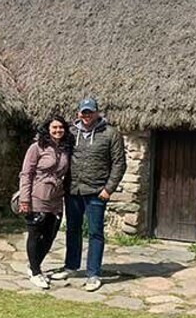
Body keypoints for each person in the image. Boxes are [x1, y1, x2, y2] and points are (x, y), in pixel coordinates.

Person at [50, 98, 126, 291]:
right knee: (72, 230)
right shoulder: (71, 133)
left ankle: (93, 273)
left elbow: (119, 163)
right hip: (73, 190)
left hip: (96, 192)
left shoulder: (111, 134)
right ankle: (71, 266)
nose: (86, 116)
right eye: (83, 112)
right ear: (78, 114)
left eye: (90, 112)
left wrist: (108, 189)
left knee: (95, 233)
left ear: (97, 112)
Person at [18, 115, 73, 289]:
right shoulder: (37, 148)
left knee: (50, 235)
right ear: (47, 129)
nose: (58, 130)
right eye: (54, 128)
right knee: (35, 234)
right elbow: (26, 174)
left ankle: (33, 265)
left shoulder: (65, 149)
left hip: (56, 198)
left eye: (61, 128)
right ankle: (35, 272)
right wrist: (25, 199)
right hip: (38, 196)